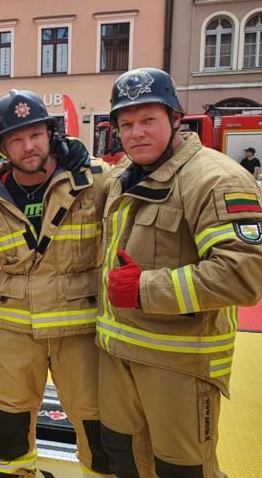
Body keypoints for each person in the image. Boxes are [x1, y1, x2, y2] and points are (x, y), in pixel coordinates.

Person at [99, 67, 262, 477]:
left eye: (148, 120)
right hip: (118, 355)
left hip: (179, 363)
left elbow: (245, 274)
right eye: (126, 125)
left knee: (182, 470)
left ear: (175, 118)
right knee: (122, 457)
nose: (136, 133)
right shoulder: (123, 176)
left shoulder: (216, 179)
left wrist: (144, 290)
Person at [0, 90, 112, 478]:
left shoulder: (96, 181)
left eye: (35, 134)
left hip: (80, 329)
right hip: (12, 331)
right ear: (2, 148)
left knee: (99, 429)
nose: (28, 146)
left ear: (51, 135)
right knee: (7, 430)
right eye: (16, 139)